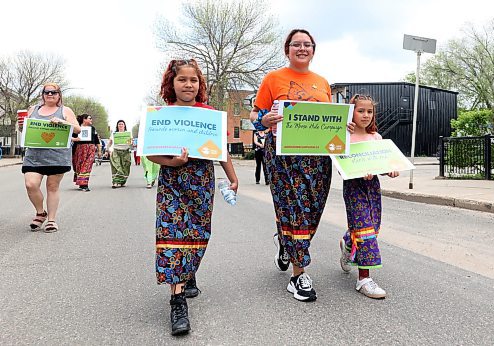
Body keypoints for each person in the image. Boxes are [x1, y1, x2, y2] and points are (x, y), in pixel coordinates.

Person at [250, 29, 354, 302]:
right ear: (287, 49)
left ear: (313, 50)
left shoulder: (322, 82)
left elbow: (327, 119)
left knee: (313, 210)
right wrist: (265, 120)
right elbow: (255, 114)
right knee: (294, 209)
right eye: (296, 44)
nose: (302, 48)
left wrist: (344, 126)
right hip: (283, 158)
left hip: (317, 159)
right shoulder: (273, 78)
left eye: (307, 44)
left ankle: (286, 243)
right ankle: (299, 275)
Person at [147, 58, 238, 336]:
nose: (188, 84)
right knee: (172, 233)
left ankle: (187, 272)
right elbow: (151, 153)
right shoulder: (161, 114)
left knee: (198, 233)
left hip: (201, 181)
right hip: (172, 181)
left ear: (200, 85)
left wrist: (233, 177)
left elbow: (220, 150)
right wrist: (173, 162)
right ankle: (177, 302)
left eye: (193, 80)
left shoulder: (209, 113)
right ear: (171, 84)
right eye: (182, 80)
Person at [339, 94, 399, 299]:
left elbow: (381, 165)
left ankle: (347, 242)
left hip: (372, 188)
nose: (365, 115)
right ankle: (364, 279)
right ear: (351, 112)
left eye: (369, 111)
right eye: (360, 111)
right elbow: (341, 168)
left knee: (371, 227)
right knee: (365, 233)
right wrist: (357, 170)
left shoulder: (376, 138)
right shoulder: (345, 136)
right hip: (354, 188)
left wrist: (389, 170)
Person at [22, 83, 81, 233]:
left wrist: (63, 121)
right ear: (42, 94)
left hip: (57, 155)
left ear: (59, 95)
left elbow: (78, 129)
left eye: (53, 92)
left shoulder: (65, 110)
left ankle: (52, 220)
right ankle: (40, 212)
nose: (50, 94)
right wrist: (21, 125)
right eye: (46, 92)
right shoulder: (33, 109)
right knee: (31, 184)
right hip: (34, 155)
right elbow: (25, 129)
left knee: (52, 187)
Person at [71, 114, 101, 191]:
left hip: (91, 149)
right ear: (84, 119)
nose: (91, 120)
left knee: (87, 166)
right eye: (89, 118)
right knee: (79, 166)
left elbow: (97, 140)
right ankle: (81, 183)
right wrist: (74, 139)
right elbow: (70, 137)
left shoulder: (93, 129)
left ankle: (84, 184)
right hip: (79, 149)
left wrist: (99, 150)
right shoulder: (77, 128)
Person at [107, 120, 132, 188]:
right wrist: (107, 149)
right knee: (117, 166)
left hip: (125, 152)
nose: (120, 125)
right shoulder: (114, 133)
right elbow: (110, 142)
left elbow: (131, 142)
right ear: (117, 126)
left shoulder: (128, 133)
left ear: (124, 125)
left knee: (125, 167)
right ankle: (115, 182)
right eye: (119, 124)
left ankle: (122, 181)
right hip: (116, 151)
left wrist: (131, 143)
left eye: (122, 124)